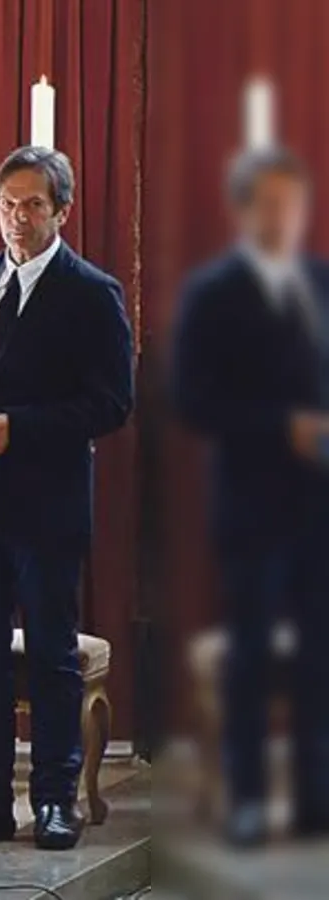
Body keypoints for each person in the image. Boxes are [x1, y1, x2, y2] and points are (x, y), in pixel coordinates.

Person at [0, 146, 134, 850]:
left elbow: (111, 403)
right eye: (8, 204)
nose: (18, 217)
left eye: (33, 204)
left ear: (63, 211)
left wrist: (23, 429)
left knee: (50, 656)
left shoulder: (90, 291)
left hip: (45, 504)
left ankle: (53, 801)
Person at [172, 147, 329, 847]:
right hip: (254, 503)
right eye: (267, 202)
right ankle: (247, 797)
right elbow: (192, 400)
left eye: (291, 203)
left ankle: (318, 794)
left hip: (320, 507)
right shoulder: (215, 292)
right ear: (242, 209)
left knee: (322, 655)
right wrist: (281, 426)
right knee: (254, 654)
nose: (282, 216)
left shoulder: (322, 281)